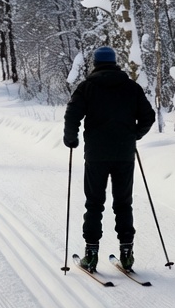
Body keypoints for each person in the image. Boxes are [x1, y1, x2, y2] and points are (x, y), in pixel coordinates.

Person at [63, 45, 156, 273]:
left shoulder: (87, 88)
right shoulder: (131, 87)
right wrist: (134, 135)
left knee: (94, 203)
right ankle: (127, 254)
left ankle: (91, 254)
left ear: (95, 63)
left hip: (96, 155)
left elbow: (72, 114)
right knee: (123, 203)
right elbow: (148, 116)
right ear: (115, 62)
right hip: (124, 154)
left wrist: (71, 138)